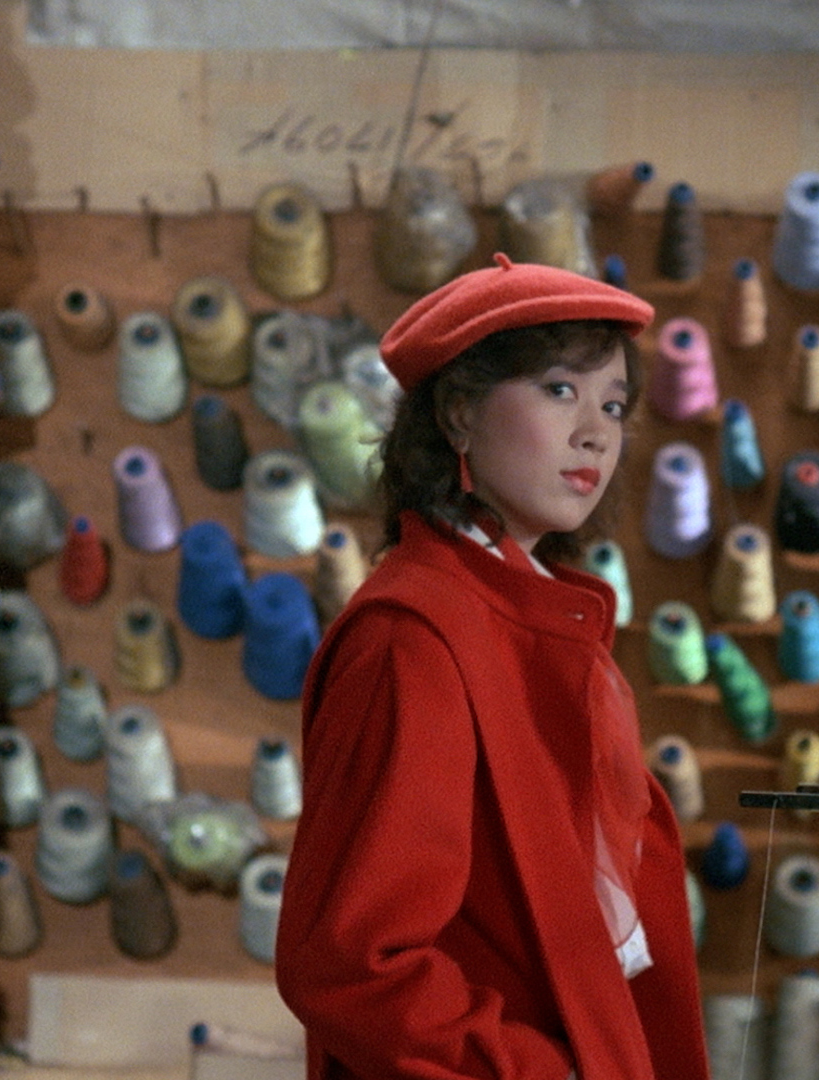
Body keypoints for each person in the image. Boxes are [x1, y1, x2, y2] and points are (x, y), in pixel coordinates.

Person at [275, 253, 709, 1080]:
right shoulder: (412, 639)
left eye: (613, 404)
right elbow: (350, 962)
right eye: (559, 390)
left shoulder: (521, 615)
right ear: (459, 413)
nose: (595, 432)